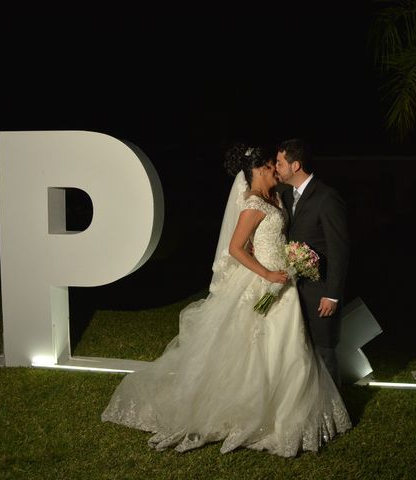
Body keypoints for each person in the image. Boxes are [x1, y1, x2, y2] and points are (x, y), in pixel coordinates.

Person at [101, 142, 351, 457]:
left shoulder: (275, 198)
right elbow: (235, 247)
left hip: (284, 285)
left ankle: (283, 409)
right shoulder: (252, 205)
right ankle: (250, 411)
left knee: (287, 350)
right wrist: (266, 272)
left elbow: (263, 242)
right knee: (257, 347)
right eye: (271, 165)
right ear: (259, 170)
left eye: (278, 163)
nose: (275, 168)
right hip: (266, 283)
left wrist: (282, 265)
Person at [275, 138, 349, 388]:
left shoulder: (326, 197)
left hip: (320, 291)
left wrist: (332, 295)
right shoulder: (283, 195)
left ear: (295, 166)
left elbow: (339, 249)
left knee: (324, 350)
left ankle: (334, 409)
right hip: (291, 289)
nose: (276, 167)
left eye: (280, 162)